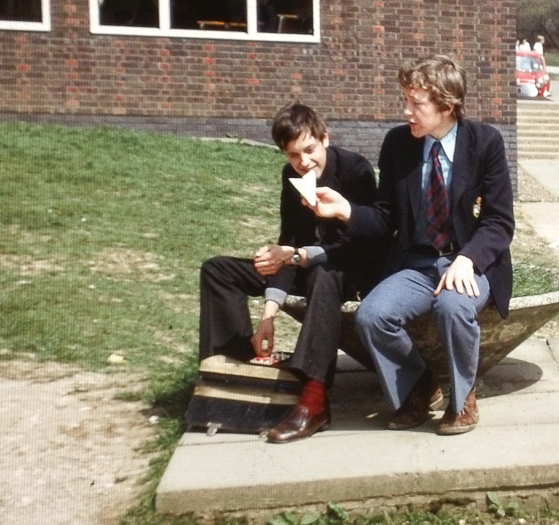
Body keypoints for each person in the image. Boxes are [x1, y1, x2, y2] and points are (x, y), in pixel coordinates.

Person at [311, 54, 515, 436]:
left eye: (416, 104)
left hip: (470, 262)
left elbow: (499, 221)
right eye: (405, 100)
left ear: (446, 106)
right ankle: (420, 387)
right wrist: (346, 211)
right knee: (372, 316)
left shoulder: (485, 143)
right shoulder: (398, 144)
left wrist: (468, 259)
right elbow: (386, 217)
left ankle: (463, 398)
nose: (406, 111)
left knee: (453, 307)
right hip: (417, 262)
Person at [198, 103, 382, 443]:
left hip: (350, 270)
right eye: (293, 155)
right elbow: (290, 240)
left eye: (309, 150)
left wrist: (296, 255)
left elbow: (359, 245)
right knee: (218, 270)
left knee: (321, 274)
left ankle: (313, 400)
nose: (304, 162)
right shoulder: (292, 177)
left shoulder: (355, 170)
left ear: (325, 139)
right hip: (304, 263)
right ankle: (230, 376)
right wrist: (268, 315)